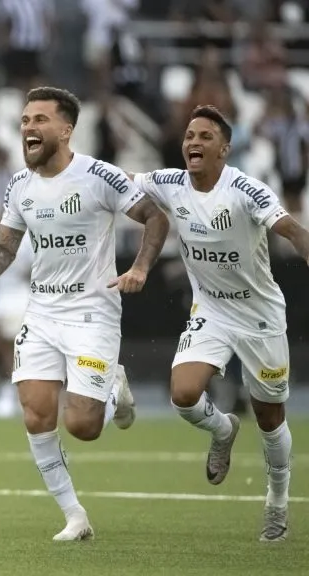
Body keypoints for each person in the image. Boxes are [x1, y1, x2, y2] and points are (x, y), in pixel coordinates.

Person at [0, 86, 169, 541]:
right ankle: (74, 516)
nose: (29, 128)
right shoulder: (20, 186)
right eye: (24, 121)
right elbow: (3, 248)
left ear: (66, 129)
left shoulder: (100, 176)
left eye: (39, 119)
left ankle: (114, 384)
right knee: (36, 415)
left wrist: (139, 267)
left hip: (92, 314)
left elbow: (156, 217)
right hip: (41, 314)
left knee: (82, 426)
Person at [130, 104, 306, 542]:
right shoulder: (168, 183)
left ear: (224, 149)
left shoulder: (246, 190)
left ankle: (277, 502)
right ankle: (223, 428)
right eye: (190, 135)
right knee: (185, 396)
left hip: (260, 316)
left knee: (270, 418)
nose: (193, 142)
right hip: (210, 310)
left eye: (205, 136)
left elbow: (292, 230)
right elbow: (116, 183)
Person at [0, 238, 33, 418]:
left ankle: (14, 394)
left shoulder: (29, 239)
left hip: (18, 297)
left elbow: (36, 270)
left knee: (14, 350)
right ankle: (10, 391)